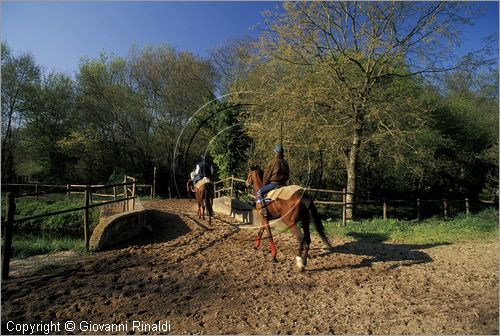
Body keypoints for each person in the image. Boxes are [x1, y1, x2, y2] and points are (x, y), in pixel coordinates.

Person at [257, 144, 289, 218]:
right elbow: (287, 176)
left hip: (274, 184)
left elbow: (267, 175)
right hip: (284, 185)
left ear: (275, 153)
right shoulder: (285, 163)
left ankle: (264, 210)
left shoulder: (273, 162)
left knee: (259, 193)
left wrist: (264, 184)